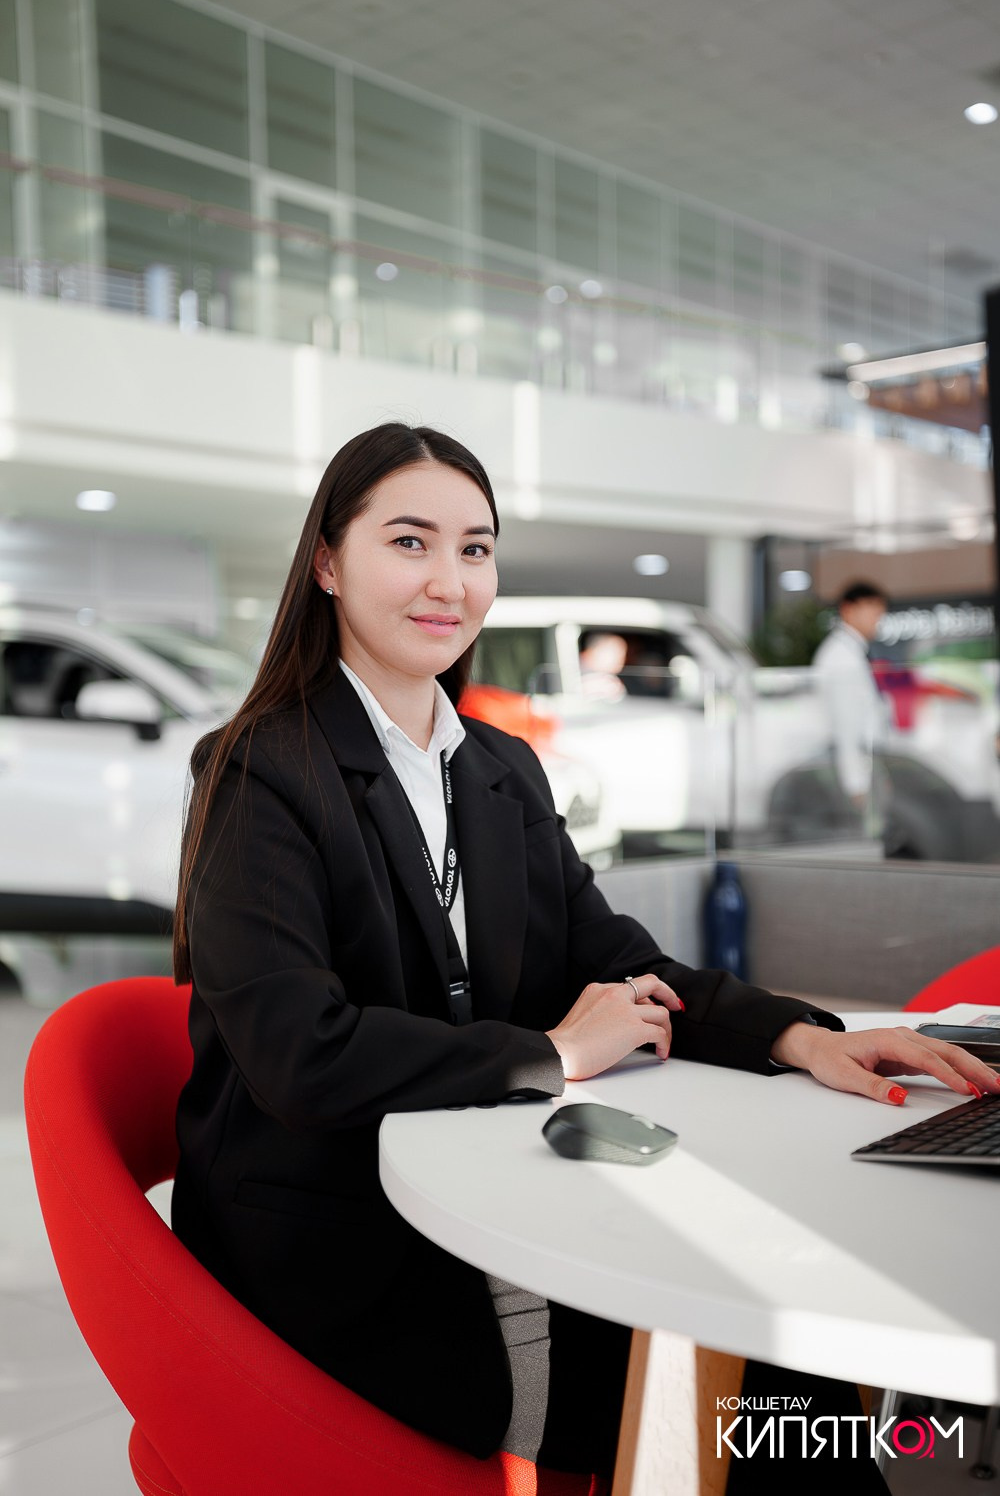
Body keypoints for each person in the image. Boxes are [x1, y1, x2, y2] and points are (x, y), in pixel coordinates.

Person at [171, 428, 996, 1483]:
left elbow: (615, 959)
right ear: (327, 563)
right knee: (763, 1401)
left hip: (493, 1197)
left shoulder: (499, 770)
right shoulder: (259, 770)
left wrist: (799, 1036)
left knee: (794, 1371)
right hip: (350, 1257)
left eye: (475, 549)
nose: (448, 581)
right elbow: (301, 1055)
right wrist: (554, 1055)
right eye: (410, 542)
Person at [812, 581, 889, 811]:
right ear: (848, 609)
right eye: (872, 610)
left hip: (864, 761)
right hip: (851, 767)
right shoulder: (840, 658)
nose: (878, 618)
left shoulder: (853, 652)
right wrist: (856, 784)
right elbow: (845, 724)